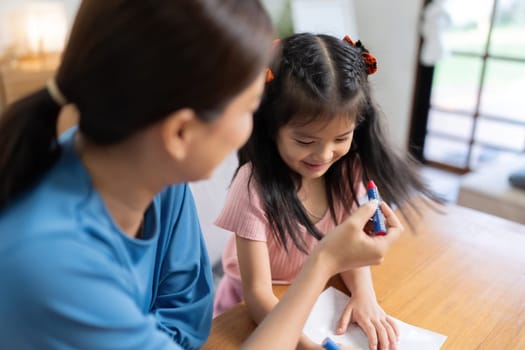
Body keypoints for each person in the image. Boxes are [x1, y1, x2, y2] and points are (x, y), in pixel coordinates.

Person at [0, 2, 402, 349]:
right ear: (180, 132)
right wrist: (325, 260)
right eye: (249, 108)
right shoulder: (52, 266)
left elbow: (189, 316)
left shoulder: (157, 177)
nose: (253, 128)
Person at [214, 33, 437, 350]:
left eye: (341, 138)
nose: (323, 155)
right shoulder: (253, 185)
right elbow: (256, 294)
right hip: (251, 313)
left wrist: (365, 297)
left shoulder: (350, 169)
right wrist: (304, 345)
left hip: (320, 296)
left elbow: (350, 245)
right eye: (305, 141)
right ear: (270, 126)